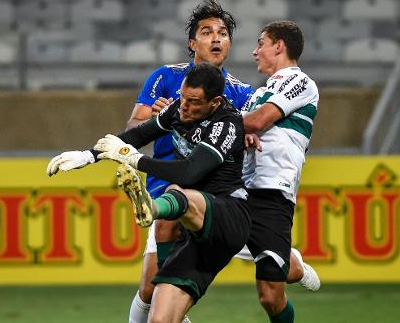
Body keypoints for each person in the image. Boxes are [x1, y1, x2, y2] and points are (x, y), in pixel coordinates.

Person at [124, 0, 319, 323]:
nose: (216, 37)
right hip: (168, 190)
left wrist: (247, 132)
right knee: (149, 287)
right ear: (192, 42)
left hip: (219, 200)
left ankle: (291, 262)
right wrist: (152, 121)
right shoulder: (166, 77)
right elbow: (133, 127)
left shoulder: (243, 92)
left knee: (269, 284)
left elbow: (250, 126)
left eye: (223, 32)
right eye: (206, 31)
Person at [47, 63, 251, 323]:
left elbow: (190, 172)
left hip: (227, 216)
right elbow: (139, 135)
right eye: (182, 97)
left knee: (178, 190)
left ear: (215, 102)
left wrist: (135, 161)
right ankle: (154, 209)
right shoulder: (179, 108)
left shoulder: (227, 124)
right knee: (159, 318)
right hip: (193, 234)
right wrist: (88, 155)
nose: (184, 106)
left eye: (194, 101)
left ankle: (152, 208)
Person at [241, 20, 320, 323]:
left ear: (279, 46)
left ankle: (292, 264)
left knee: (270, 297)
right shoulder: (257, 93)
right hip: (242, 184)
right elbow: (244, 125)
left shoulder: (300, 82)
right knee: (198, 229)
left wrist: (229, 123)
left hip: (273, 189)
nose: (255, 51)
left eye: (261, 43)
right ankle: (173, 306)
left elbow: (259, 121)